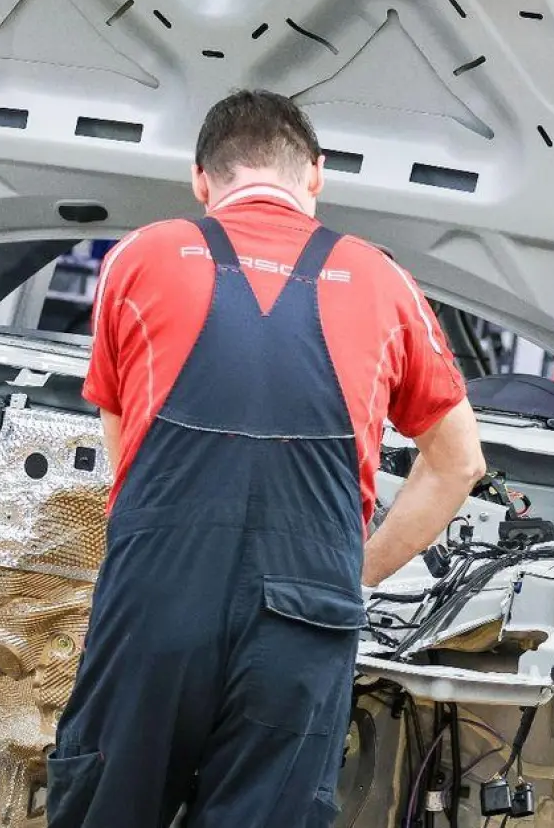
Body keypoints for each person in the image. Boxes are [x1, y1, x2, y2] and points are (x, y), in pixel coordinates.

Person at [47, 89, 487, 827]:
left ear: (200, 180)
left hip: (156, 602)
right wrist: (354, 572)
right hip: (305, 614)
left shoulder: (140, 256)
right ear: (315, 175)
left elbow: (124, 454)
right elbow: (459, 463)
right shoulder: (385, 281)